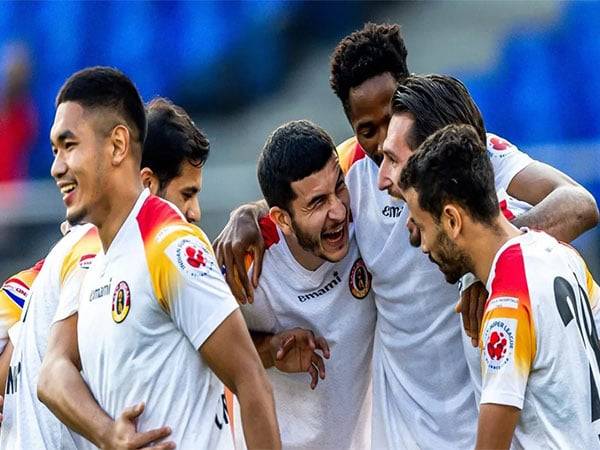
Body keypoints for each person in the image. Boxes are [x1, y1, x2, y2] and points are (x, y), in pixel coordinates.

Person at [214, 24, 599, 448]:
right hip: (402, 429)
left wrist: (497, 266)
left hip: (486, 411)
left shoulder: (470, 159)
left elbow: (580, 203)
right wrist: (246, 214)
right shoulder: (354, 175)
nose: (381, 145)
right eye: (366, 130)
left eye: (389, 118)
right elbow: (295, 202)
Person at [35, 67, 280, 450]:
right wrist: (108, 434)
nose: (56, 167)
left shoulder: (169, 244)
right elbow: (51, 374)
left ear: (118, 146)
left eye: (69, 146)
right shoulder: (96, 262)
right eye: (55, 149)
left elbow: (250, 382)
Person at [399, 123, 600, 449]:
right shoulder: (562, 255)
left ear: (452, 220)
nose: (422, 245)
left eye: (422, 226)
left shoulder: (508, 304)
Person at [239, 120, 375, 449]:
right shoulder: (248, 269)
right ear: (282, 219)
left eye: (338, 188)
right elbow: (205, 354)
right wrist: (271, 350)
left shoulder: (368, 219)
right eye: (317, 203)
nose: (338, 211)